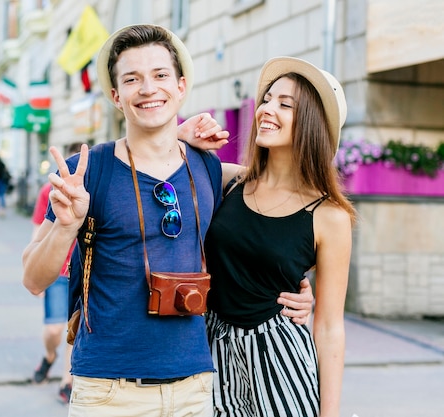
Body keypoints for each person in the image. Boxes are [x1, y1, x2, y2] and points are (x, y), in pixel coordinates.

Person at [22, 25, 312, 417]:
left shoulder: (207, 168)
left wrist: (295, 288)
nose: (147, 88)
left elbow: (273, 207)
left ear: (180, 86)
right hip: (107, 391)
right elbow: (33, 279)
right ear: (115, 96)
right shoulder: (87, 172)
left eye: (159, 76)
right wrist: (66, 225)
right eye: (132, 79)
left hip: (194, 388)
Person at [188, 57, 357, 417]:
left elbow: (329, 327)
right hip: (212, 349)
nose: (266, 109)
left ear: (312, 124)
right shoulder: (229, 181)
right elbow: (158, 161)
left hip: (280, 359)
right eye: (267, 99)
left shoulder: (330, 216)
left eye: (285, 104)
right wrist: (181, 133)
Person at [30, 142, 83, 404]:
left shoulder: (93, 191)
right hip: (57, 272)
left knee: (73, 330)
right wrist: (36, 270)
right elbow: (37, 233)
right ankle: (49, 356)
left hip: (82, 272)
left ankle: (67, 380)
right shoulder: (47, 192)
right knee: (53, 330)